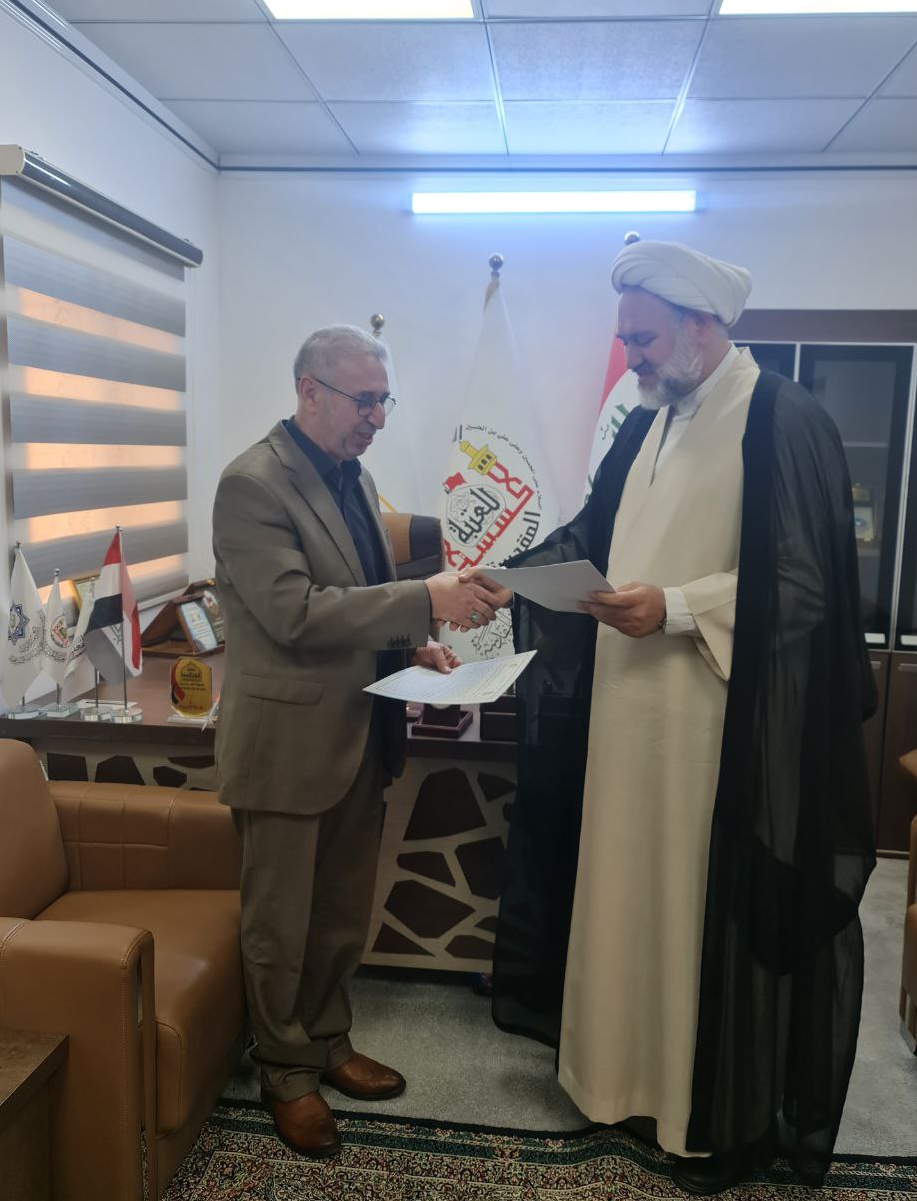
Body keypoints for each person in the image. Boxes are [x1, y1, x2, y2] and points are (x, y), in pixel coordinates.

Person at [472, 240, 877, 1193]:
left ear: (702, 326)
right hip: (624, 719)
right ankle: (613, 1082)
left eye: (644, 339)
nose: (633, 358)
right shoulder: (646, 424)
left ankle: (694, 1112)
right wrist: (509, 573)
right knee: (621, 893)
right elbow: (591, 532)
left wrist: (679, 608)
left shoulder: (781, 418)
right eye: (627, 341)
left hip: (711, 731)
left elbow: (805, 585)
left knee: (687, 912)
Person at [212, 325, 495, 1159]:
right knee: (280, 926)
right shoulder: (251, 485)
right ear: (309, 391)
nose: (377, 417)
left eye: (383, 400)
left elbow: (362, 594)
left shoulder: (356, 476)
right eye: (363, 401)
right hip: (285, 746)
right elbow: (296, 614)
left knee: (339, 916)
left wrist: (413, 645)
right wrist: (427, 601)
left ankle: (329, 1040)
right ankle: (285, 1069)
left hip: (362, 732)